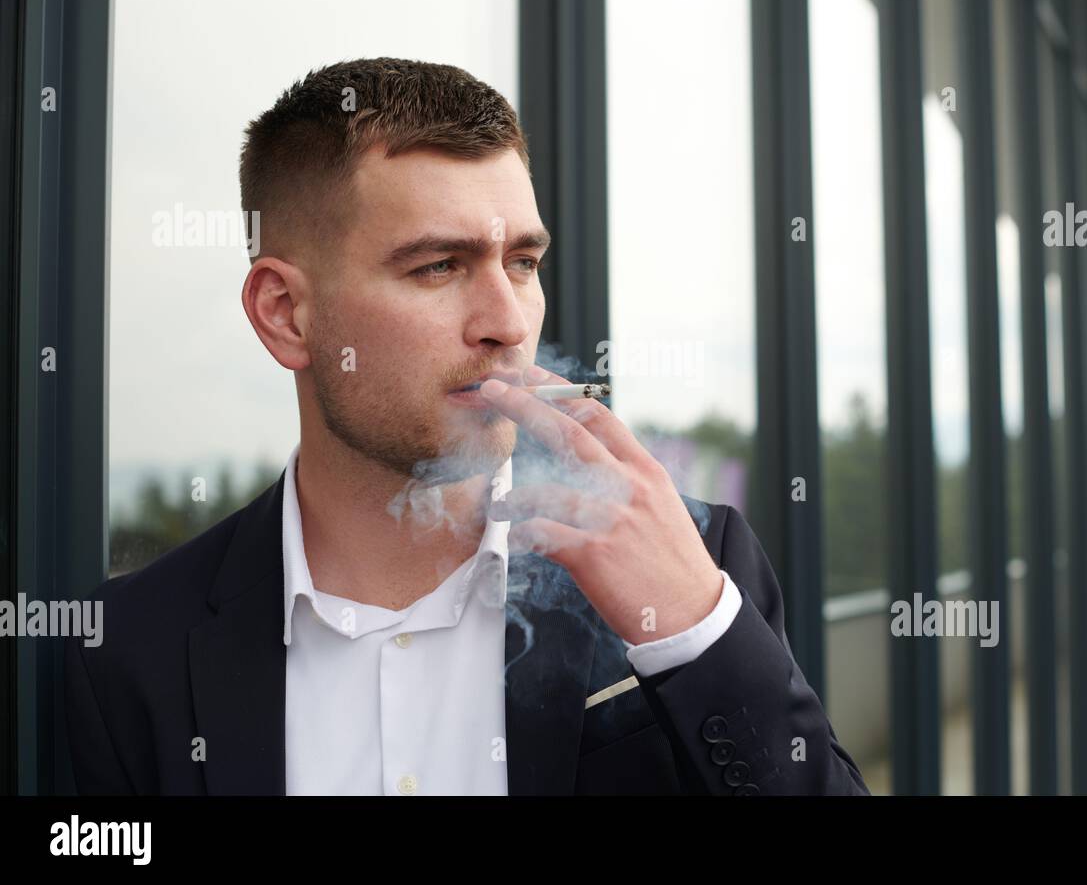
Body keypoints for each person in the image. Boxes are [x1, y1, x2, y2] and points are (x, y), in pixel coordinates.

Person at [65, 58, 868, 796]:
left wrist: (697, 635)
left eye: (522, 262)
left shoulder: (695, 562)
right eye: (437, 267)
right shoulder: (134, 651)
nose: (508, 323)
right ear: (286, 315)